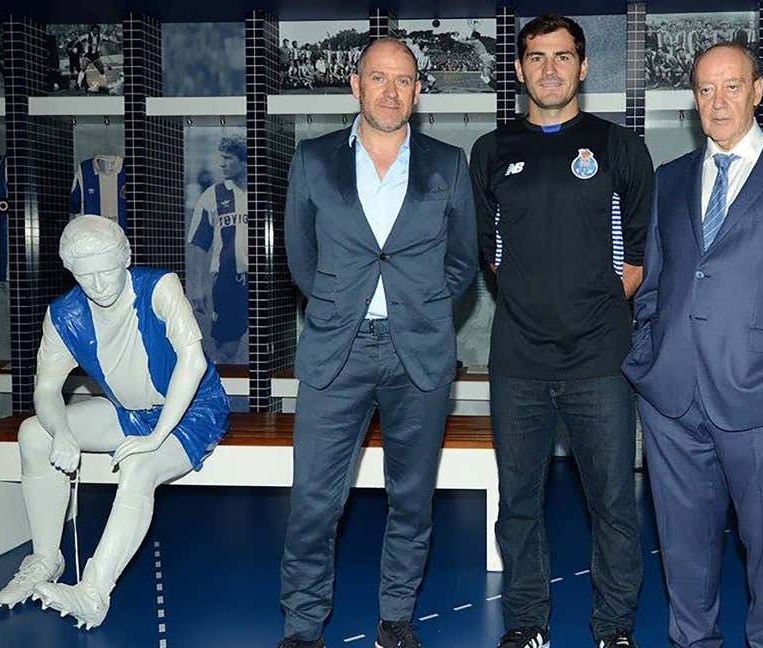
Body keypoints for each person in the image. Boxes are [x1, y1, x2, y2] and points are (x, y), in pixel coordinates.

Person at [623, 43, 763, 648]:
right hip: (671, 400)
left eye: (730, 87)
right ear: (693, 99)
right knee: (684, 551)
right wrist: (646, 357)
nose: (717, 102)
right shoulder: (670, 180)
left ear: (757, 89)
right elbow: (657, 284)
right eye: (704, 90)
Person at [278, 37, 477, 648]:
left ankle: (396, 619)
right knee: (314, 501)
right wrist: (342, 304)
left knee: (411, 500)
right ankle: (304, 628)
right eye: (378, 77)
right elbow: (300, 259)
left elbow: (463, 262)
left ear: (418, 92)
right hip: (337, 352)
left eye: (404, 80)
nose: (391, 90)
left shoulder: (448, 164)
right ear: (355, 85)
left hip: (417, 353)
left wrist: (417, 305)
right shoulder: (313, 160)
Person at [469, 14, 653, 648]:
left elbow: (634, 262)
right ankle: (526, 624)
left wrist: (584, 311)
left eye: (563, 56)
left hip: (600, 361)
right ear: (519, 70)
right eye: (537, 57)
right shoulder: (491, 151)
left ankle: (614, 630)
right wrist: (535, 305)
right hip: (517, 361)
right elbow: (491, 255)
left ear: (583, 66)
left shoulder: (619, 147)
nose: (550, 69)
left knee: (614, 508)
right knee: (519, 505)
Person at [0, 216, 230, 630]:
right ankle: (45, 559)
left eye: (107, 272)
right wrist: (62, 432)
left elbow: (191, 362)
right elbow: (46, 390)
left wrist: (157, 437)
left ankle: (92, 593)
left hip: (193, 409)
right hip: (129, 411)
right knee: (34, 433)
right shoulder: (64, 315)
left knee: (139, 466)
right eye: (87, 277)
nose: (99, 285)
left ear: (126, 259)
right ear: (71, 273)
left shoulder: (159, 287)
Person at [187, 134, 249, 364]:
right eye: (221, 158)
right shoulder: (213, 195)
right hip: (227, 281)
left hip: (264, 281)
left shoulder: (265, 193)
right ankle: (225, 397)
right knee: (226, 350)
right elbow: (198, 245)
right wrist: (197, 287)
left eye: (228, 158)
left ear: (245, 161)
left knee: (267, 346)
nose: (221, 164)